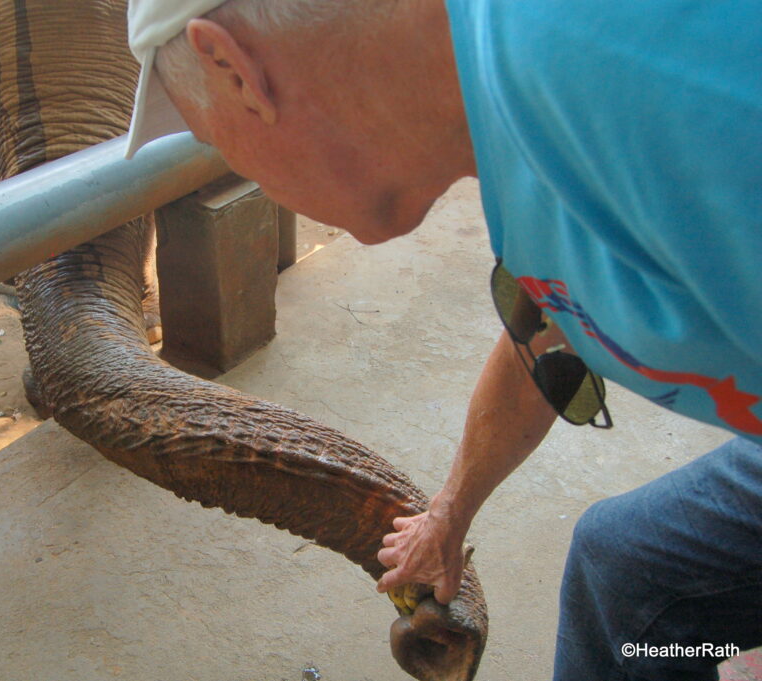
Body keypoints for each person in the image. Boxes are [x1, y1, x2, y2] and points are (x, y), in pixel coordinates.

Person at [124, 1, 762, 679]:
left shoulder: (656, 87)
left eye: (218, 144)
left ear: (232, 67)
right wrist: (447, 516)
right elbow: (550, 325)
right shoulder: (508, 99)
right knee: (625, 571)